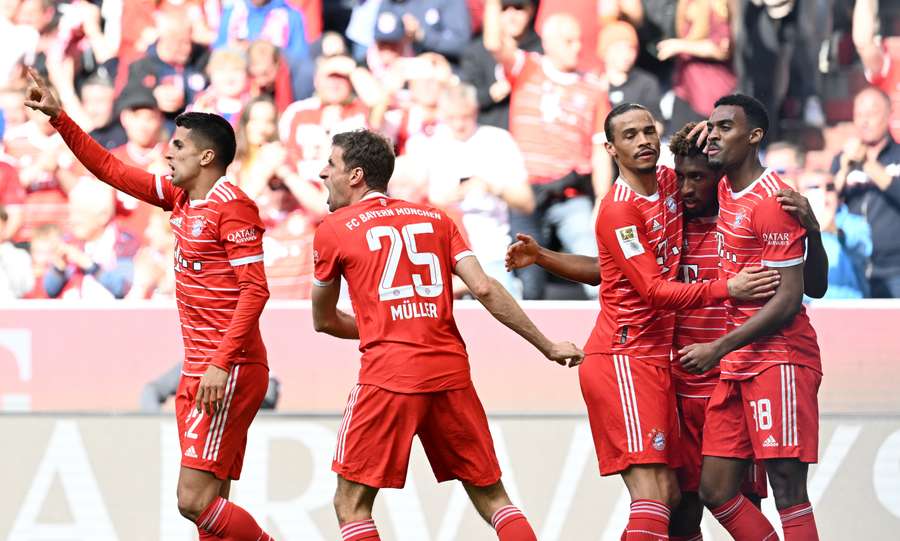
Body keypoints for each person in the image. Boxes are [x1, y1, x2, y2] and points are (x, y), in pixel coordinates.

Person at [504, 119, 826, 539]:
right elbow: (615, 271)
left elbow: (810, 285)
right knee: (680, 508)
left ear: (722, 179)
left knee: (739, 498)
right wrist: (545, 257)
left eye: (698, 178)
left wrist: (813, 231)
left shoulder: (745, 219)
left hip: (728, 381)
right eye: (683, 178)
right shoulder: (664, 218)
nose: (687, 188)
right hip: (675, 382)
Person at [24, 66, 275, 540]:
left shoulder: (233, 205)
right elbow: (110, 169)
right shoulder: (178, 196)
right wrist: (61, 119)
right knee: (212, 500)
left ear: (206, 156)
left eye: (177, 145)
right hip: (199, 366)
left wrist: (221, 364)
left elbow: (255, 289)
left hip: (229, 366)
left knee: (192, 501)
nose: (167, 150)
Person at [311, 129, 584, 541]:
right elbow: (487, 288)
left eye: (330, 165)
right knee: (494, 499)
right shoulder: (438, 218)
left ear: (356, 176)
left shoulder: (334, 229)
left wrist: (385, 324)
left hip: (388, 378)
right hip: (450, 374)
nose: (321, 172)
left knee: (351, 505)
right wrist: (546, 345)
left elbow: (324, 320)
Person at [682, 93, 823, 540]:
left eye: (725, 127)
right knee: (716, 488)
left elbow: (792, 298)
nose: (714, 135)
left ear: (755, 136)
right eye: (711, 126)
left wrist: (717, 346)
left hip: (778, 357)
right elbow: (688, 164)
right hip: (740, 361)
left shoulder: (772, 201)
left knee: (787, 487)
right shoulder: (724, 186)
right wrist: (691, 136)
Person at [483, 0, 611, 299]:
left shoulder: (593, 88)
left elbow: (599, 149)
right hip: (526, 194)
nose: (577, 47)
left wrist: (601, 201)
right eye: (569, 41)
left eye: (579, 40)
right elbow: (492, 42)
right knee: (527, 284)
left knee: (601, 273)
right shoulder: (527, 66)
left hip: (570, 195)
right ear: (549, 42)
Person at [416, 83, 533, 296]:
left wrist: (491, 187)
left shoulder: (498, 140)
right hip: (443, 255)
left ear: (476, 112)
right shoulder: (430, 144)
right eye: (452, 118)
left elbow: (526, 202)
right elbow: (412, 194)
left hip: (491, 252)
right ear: (442, 114)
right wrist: (446, 197)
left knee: (508, 314)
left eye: (465, 117)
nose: (459, 125)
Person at [831, 87, 900, 298]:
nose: (864, 121)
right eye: (859, 114)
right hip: (853, 268)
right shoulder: (843, 159)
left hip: (894, 270)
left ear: (889, 114)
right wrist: (843, 170)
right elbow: (829, 206)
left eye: (871, 114)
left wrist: (867, 164)